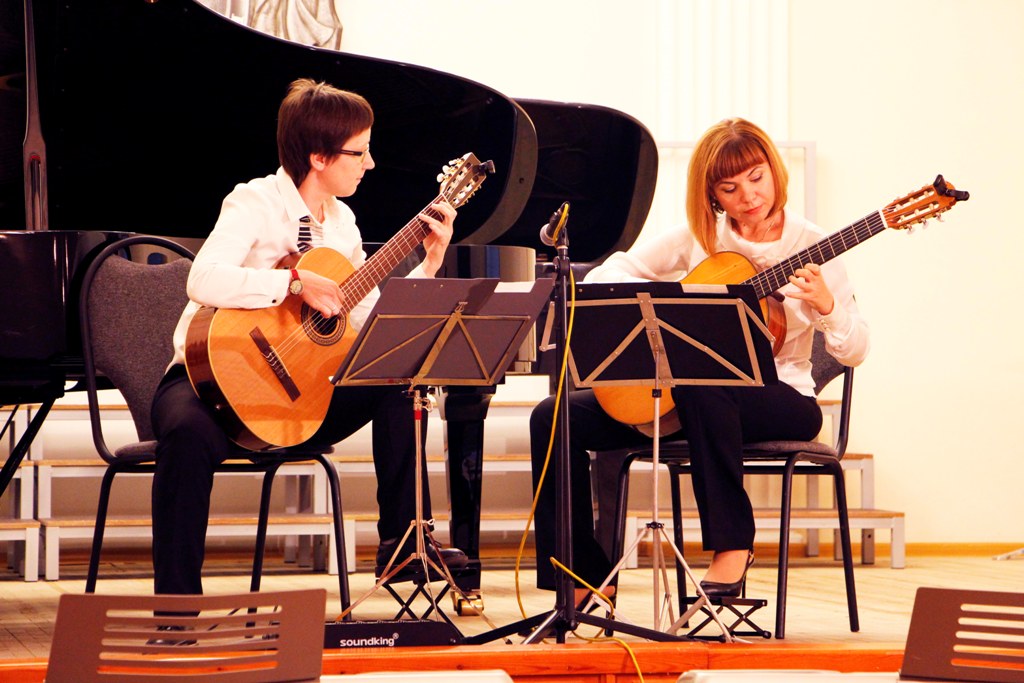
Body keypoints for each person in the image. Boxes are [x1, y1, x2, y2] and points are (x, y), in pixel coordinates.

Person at [529, 117, 869, 605]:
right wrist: (672, 298)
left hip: (782, 396)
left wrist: (828, 307)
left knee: (703, 380)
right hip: (688, 398)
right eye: (730, 189)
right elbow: (610, 273)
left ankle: (733, 545)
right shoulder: (699, 237)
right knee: (553, 416)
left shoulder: (813, 245)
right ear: (712, 195)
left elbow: (855, 350)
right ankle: (582, 574)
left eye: (756, 178)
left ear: (774, 171)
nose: (748, 196)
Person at [150, 78, 467, 596]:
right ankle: (177, 610)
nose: (370, 164)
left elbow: (371, 323)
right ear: (319, 157)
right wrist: (293, 283)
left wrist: (429, 264)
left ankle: (403, 546)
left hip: (299, 395)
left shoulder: (343, 225)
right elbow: (201, 279)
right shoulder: (253, 201)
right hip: (210, 383)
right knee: (186, 438)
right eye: (359, 152)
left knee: (398, 382)